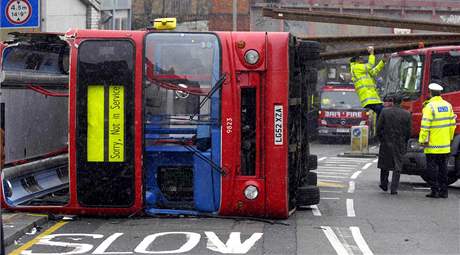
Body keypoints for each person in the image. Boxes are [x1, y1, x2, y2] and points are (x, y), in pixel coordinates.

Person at [419, 83, 456, 198]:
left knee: (431, 168)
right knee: (443, 168)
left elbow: (425, 126)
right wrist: (449, 138)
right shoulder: (448, 105)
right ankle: (444, 191)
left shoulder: (429, 106)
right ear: (440, 93)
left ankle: (434, 190)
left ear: (430, 92)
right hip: (444, 144)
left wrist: (422, 140)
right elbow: (452, 125)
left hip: (432, 145)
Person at [377, 95, 412, 194]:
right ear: (401, 102)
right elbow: (409, 131)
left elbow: (379, 128)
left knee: (385, 163)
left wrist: (381, 138)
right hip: (399, 141)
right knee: (397, 165)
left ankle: (384, 184)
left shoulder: (385, 112)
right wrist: (404, 140)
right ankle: (394, 188)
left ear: (392, 101)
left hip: (386, 140)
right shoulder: (407, 114)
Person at [350, 46, 386, 119]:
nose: (363, 59)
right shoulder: (356, 67)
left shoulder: (361, 69)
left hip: (371, 98)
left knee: (381, 113)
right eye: (360, 58)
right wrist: (371, 54)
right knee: (383, 112)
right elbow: (370, 65)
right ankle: (381, 128)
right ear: (356, 59)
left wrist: (383, 61)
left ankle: (380, 128)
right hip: (368, 98)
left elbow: (374, 72)